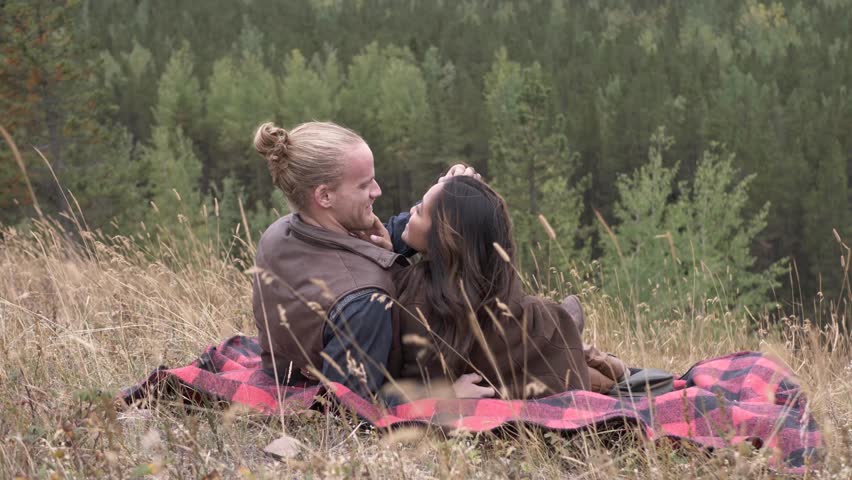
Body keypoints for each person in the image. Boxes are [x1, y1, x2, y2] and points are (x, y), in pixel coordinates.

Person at [251, 120, 481, 403]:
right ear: (324, 196)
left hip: (281, 370)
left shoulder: (280, 233)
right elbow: (351, 404)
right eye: (364, 185)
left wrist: (440, 200)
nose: (377, 190)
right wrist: (443, 395)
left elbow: (367, 247)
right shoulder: (365, 302)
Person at [382, 176, 621, 400]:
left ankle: (590, 352)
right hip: (515, 365)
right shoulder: (483, 288)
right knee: (557, 333)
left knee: (552, 325)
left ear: (443, 237)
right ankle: (591, 353)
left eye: (419, 210)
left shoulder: (415, 291)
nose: (410, 211)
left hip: (509, 360)